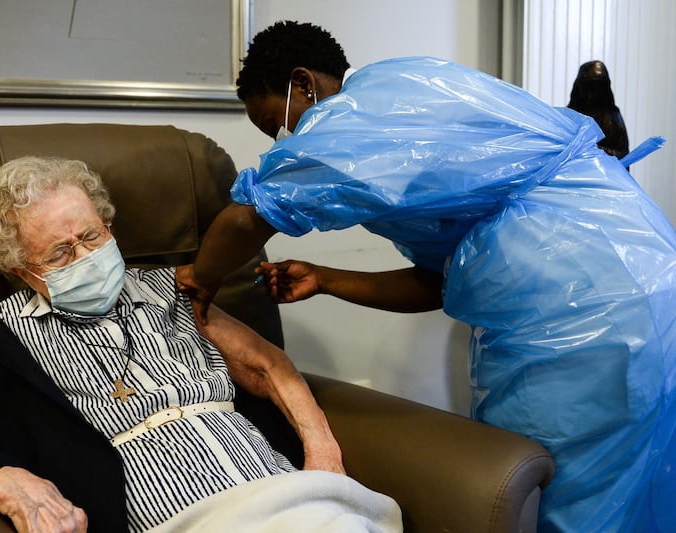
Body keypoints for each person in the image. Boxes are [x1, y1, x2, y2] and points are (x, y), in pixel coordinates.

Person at [175, 20, 676, 533]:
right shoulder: (409, 92)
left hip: (580, 309)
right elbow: (440, 283)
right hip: (640, 267)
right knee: (633, 480)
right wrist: (324, 278)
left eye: (275, 125)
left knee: (567, 493)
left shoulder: (358, 115)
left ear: (304, 84)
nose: (284, 143)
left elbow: (245, 217)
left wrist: (198, 279)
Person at [0, 156, 402, 532]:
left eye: (92, 236)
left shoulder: (172, 288)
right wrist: (6, 481)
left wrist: (321, 450)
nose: (86, 256)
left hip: (286, 493)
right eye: (61, 253)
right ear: (23, 270)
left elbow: (267, 366)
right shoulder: (1, 336)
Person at [567, 60, 630, 160]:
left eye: (598, 85)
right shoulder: (569, 116)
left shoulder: (613, 117)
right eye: (587, 85)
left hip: (604, 172)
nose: (591, 93)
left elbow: (624, 154)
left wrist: (600, 151)